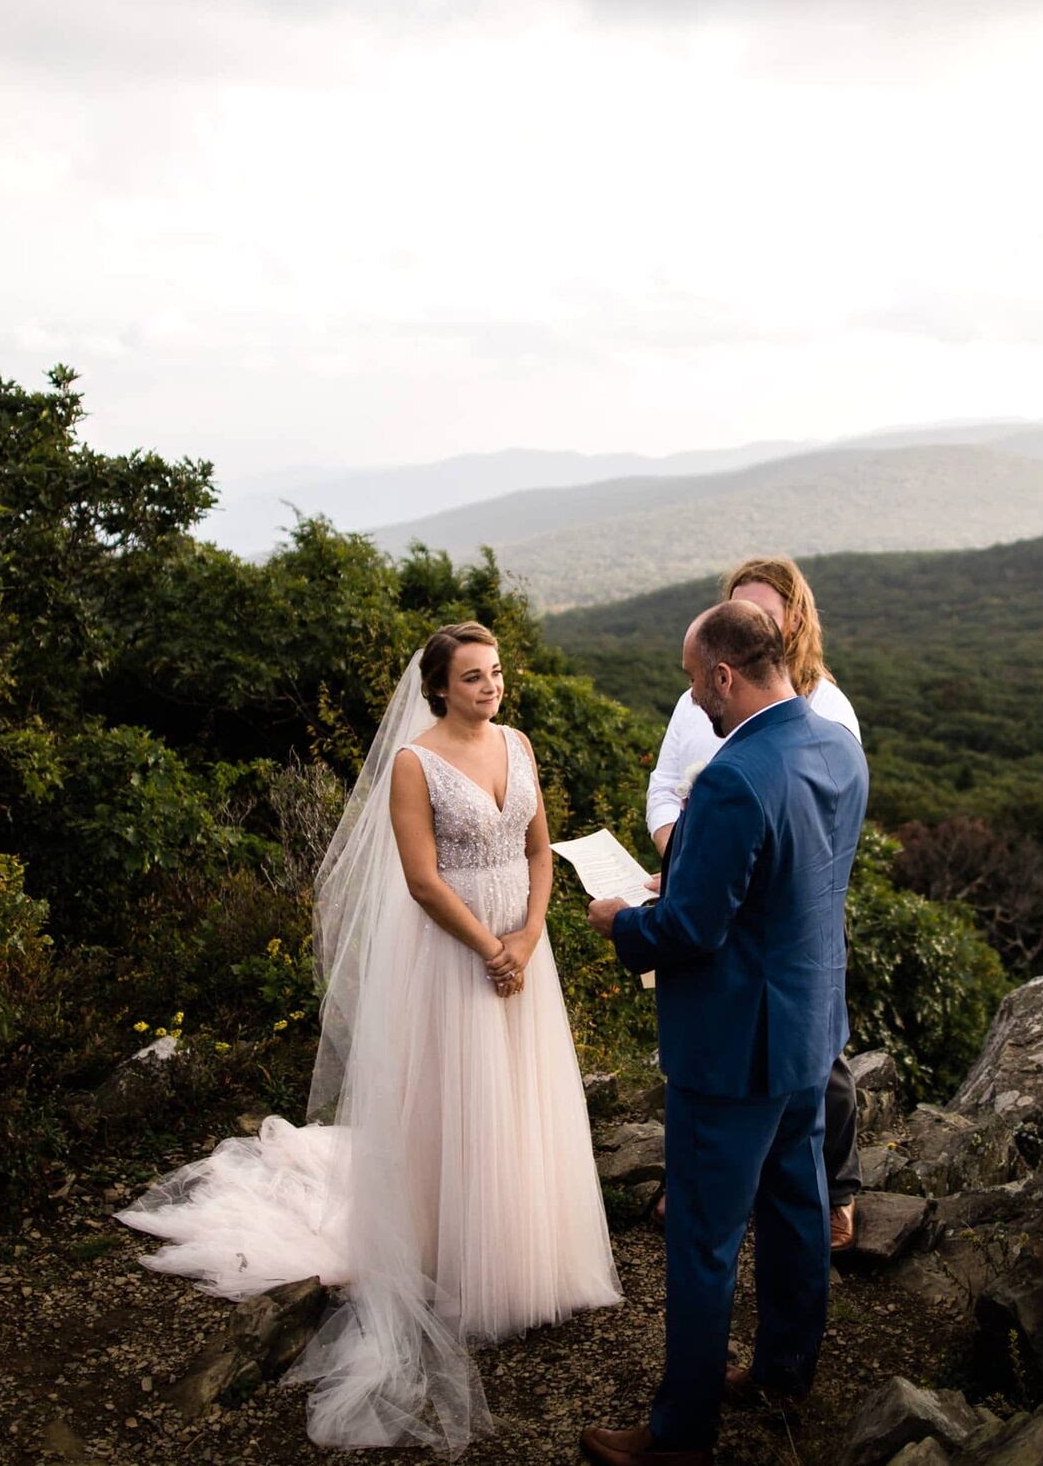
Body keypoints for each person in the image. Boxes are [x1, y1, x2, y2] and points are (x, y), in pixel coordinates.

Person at [115, 623, 619, 1455]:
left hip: (523, 954)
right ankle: (447, 1255)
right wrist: (488, 946)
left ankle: (531, 1255)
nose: (491, 687)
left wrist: (529, 935)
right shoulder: (415, 763)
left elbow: (537, 848)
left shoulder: (519, 743)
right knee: (455, 1098)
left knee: (521, 1098)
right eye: (472, 677)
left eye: (495, 673)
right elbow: (421, 879)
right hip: (451, 955)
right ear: (439, 687)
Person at [581, 601, 869, 1466]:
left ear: (723, 675)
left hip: (735, 1048)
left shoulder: (735, 777)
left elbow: (692, 930)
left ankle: (679, 1437)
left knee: (703, 1241)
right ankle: (786, 1371)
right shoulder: (838, 745)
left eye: (692, 680)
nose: (693, 700)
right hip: (809, 1030)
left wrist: (620, 920)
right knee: (797, 1206)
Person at [644, 557, 865, 1249]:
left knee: (808, 1066)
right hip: (704, 882)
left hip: (783, 922)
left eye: (765, 610)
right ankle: (720, 1185)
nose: (749, 619)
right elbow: (662, 787)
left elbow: (820, 832)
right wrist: (688, 853)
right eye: (737, 607)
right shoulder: (697, 700)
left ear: (793, 620)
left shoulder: (825, 710)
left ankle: (837, 1190)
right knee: (728, 1063)